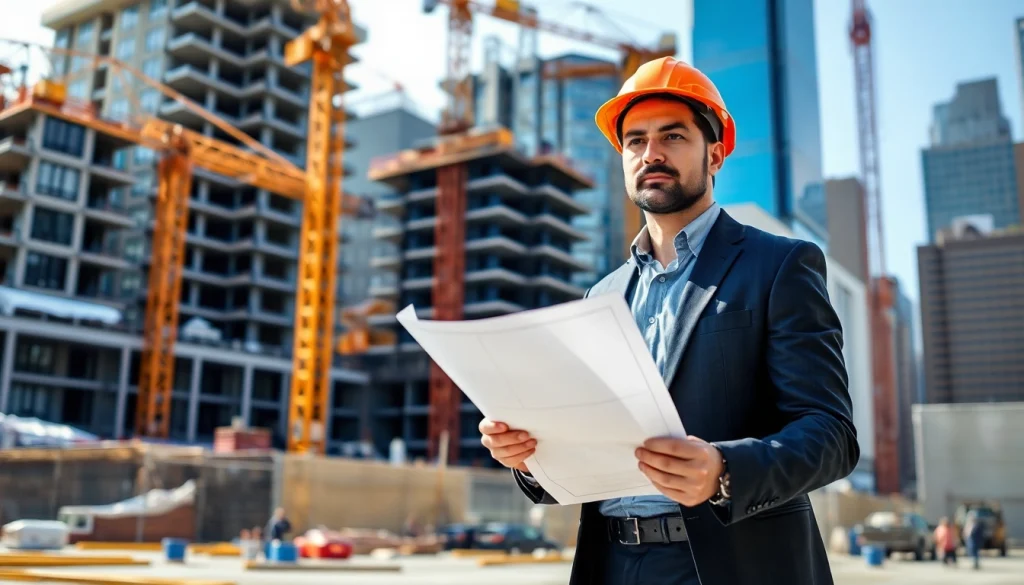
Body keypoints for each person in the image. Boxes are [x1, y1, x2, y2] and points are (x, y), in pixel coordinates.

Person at [478, 56, 860, 585]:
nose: (650, 153)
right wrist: (528, 456)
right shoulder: (601, 295)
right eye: (634, 141)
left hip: (732, 565)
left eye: (673, 136)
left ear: (716, 153)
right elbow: (584, 445)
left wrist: (725, 469)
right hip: (612, 562)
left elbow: (832, 435)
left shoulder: (780, 266)